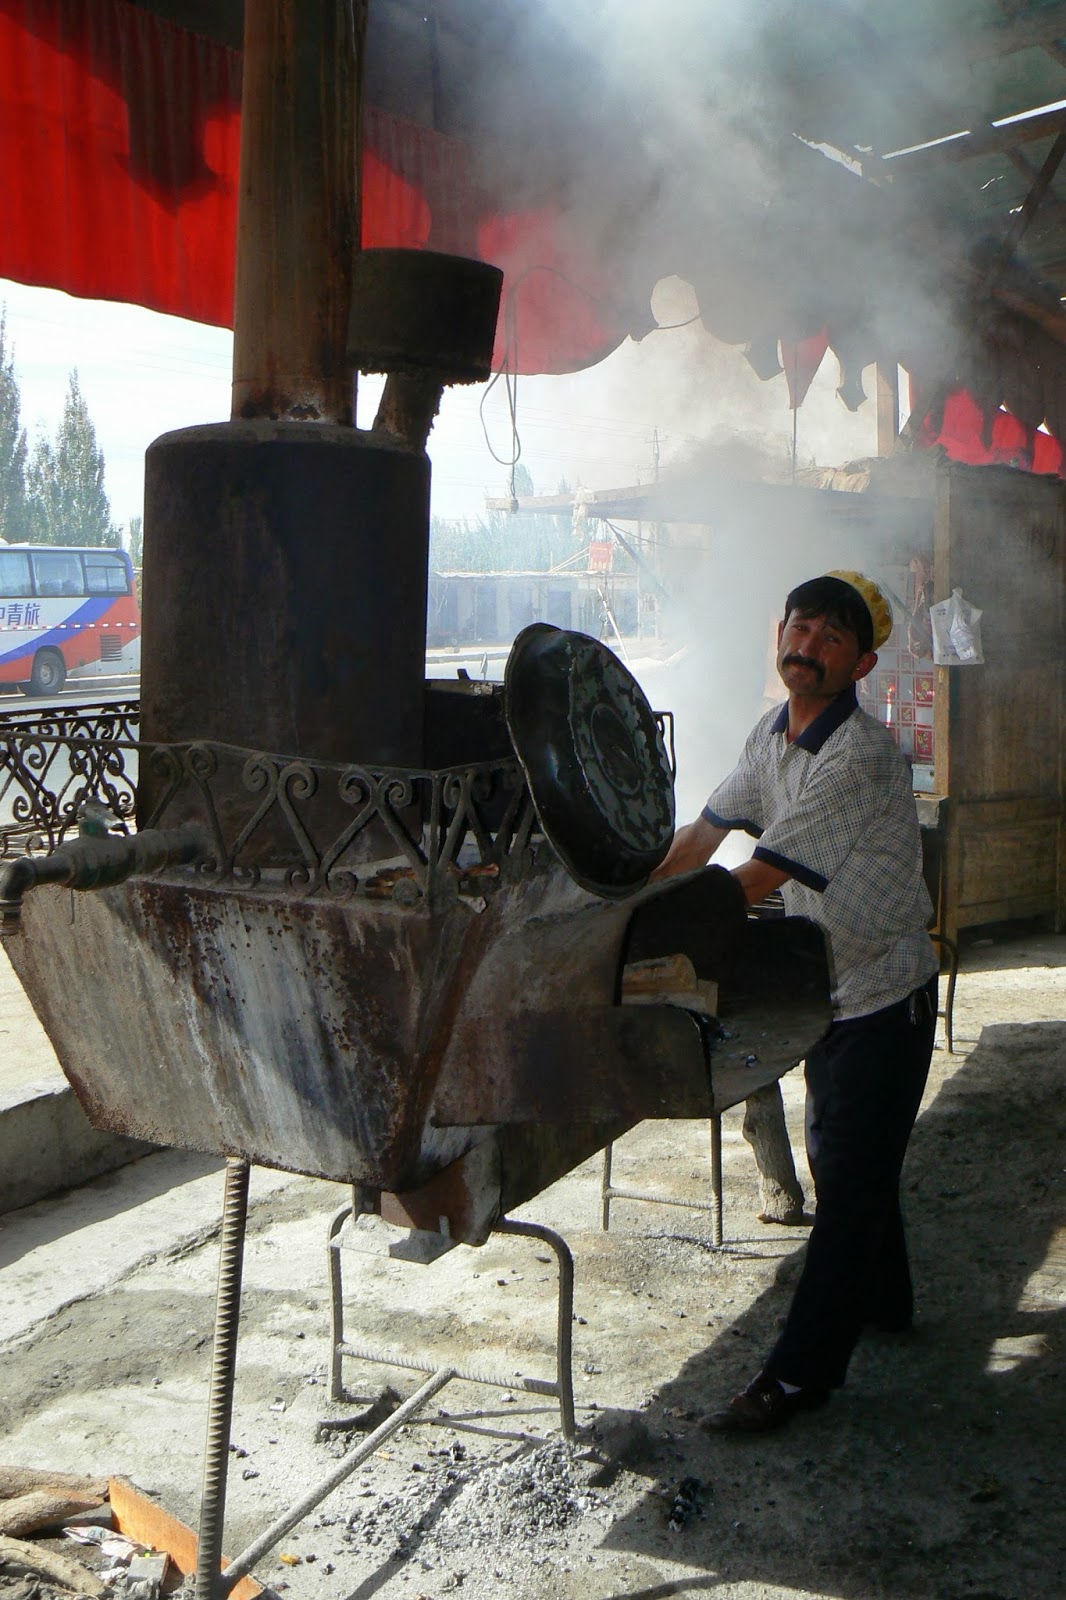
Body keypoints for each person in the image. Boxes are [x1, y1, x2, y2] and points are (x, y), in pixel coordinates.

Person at [652, 570, 939, 1432]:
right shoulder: (769, 736)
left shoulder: (860, 757)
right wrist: (624, 890)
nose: (808, 647)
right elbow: (701, 839)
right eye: (801, 628)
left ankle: (796, 1378)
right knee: (854, 1160)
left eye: (832, 639)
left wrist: (655, 932)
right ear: (780, 633)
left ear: (862, 665)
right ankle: (887, 1302)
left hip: (885, 994)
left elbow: (755, 878)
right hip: (832, 987)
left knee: (845, 1183)